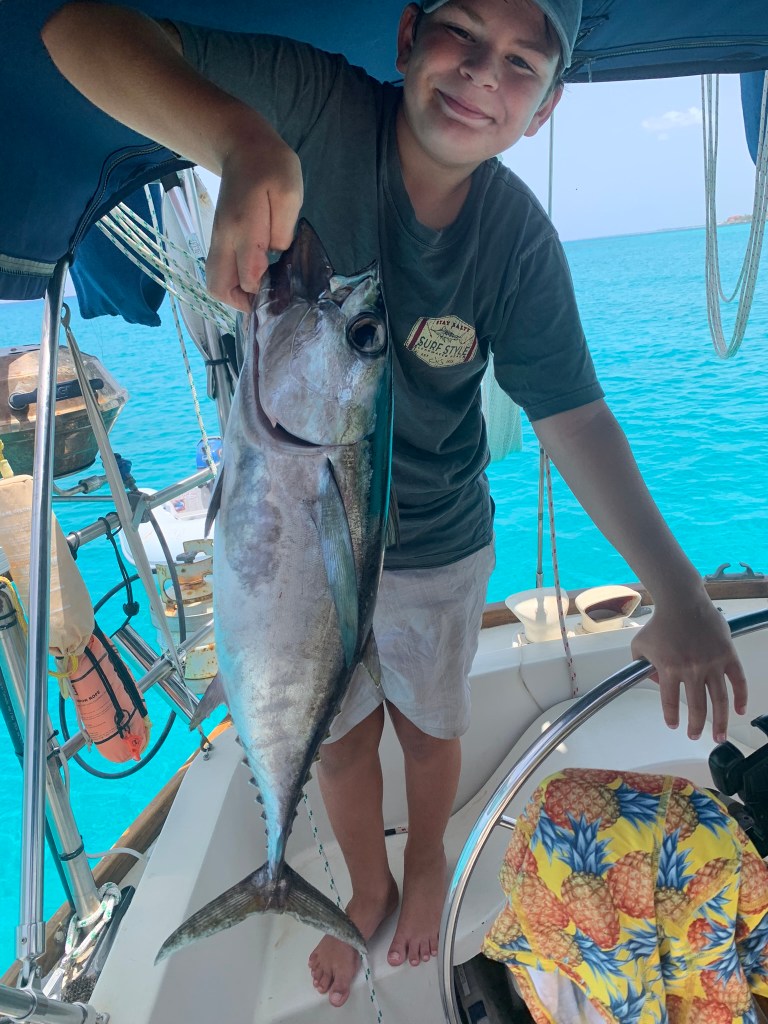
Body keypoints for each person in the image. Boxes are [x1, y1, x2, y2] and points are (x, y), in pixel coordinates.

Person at [43, 0, 748, 1009]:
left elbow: (575, 417)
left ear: (544, 110)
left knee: (428, 726)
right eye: (463, 32)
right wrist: (241, 140)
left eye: (522, 64)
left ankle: (424, 861)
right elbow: (77, 33)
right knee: (334, 739)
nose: (482, 74)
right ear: (410, 35)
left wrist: (676, 591)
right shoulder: (318, 108)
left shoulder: (515, 239)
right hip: (300, 534)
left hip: (438, 545)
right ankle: (361, 882)